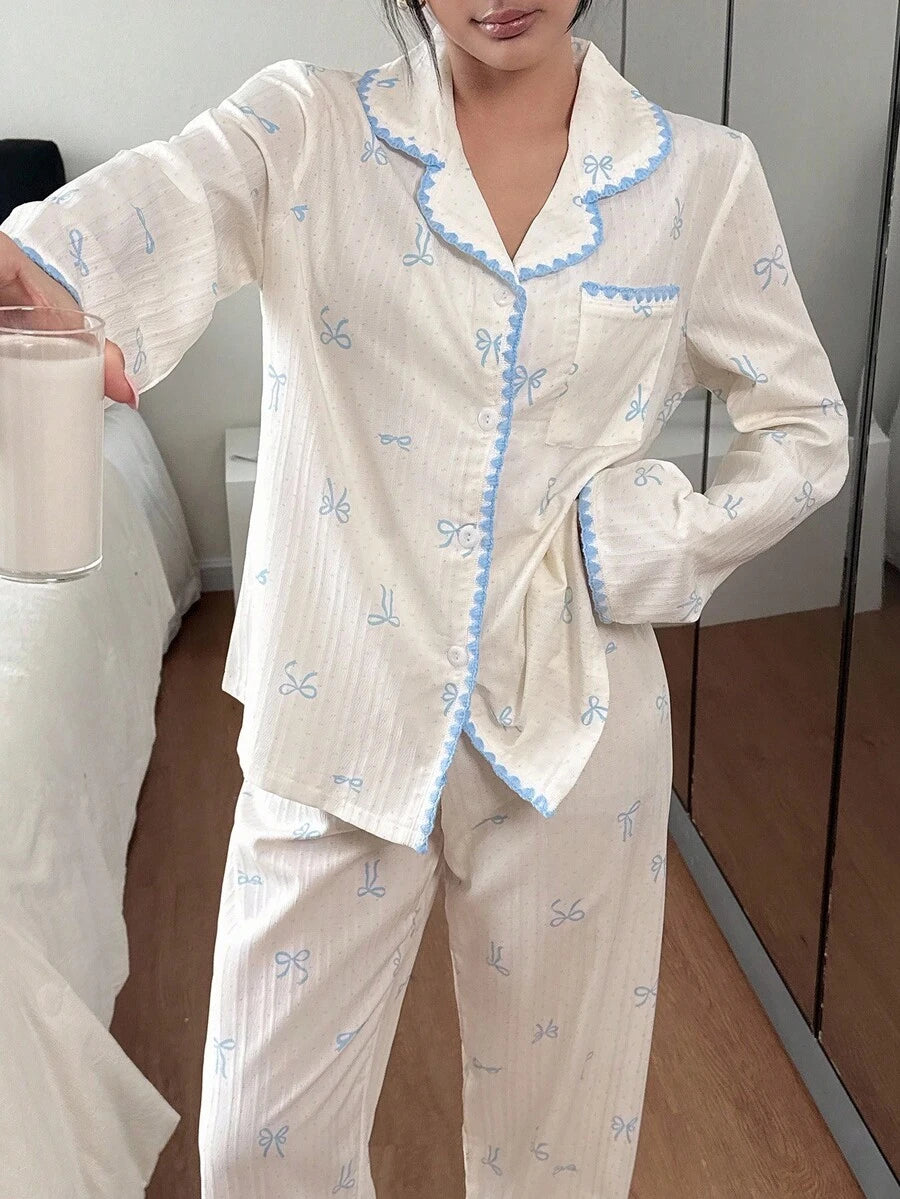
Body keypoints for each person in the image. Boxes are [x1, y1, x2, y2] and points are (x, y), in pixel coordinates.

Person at [0, 1, 850, 1194]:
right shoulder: (307, 128)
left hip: (574, 725)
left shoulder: (699, 179)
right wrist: (36, 276)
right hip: (337, 708)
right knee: (258, 1149)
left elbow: (806, 430)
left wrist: (637, 538)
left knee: (556, 1156)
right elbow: (142, 211)